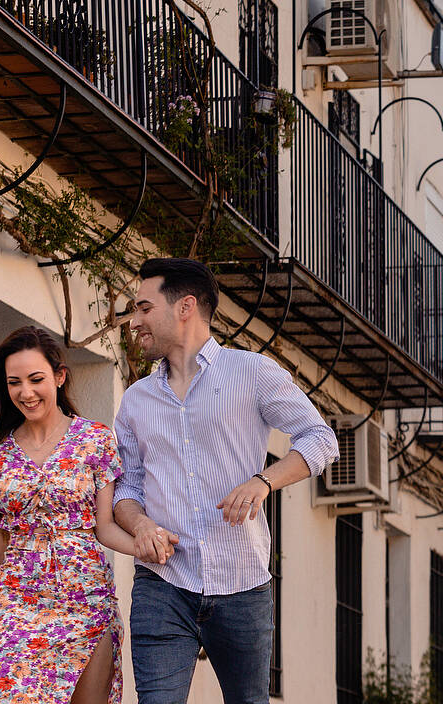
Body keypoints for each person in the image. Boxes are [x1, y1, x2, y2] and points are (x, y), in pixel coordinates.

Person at [113, 257, 339, 704]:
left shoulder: (253, 373)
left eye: (143, 307)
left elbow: (321, 438)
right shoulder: (136, 400)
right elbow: (127, 489)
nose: (134, 321)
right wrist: (140, 526)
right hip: (163, 585)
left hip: (242, 582)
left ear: (185, 307)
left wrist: (264, 481)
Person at [0, 325, 144, 704]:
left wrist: (146, 547)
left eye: (36, 379)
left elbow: (105, 527)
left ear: (59, 376)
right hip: (18, 603)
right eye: (14, 383)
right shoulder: (2, 452)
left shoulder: (96, 439)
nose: (25, 392)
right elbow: (4, 528)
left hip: (85, 598)